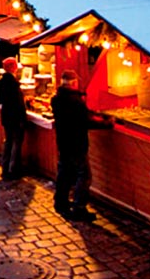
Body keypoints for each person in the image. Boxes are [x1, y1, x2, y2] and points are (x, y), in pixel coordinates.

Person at [51, 69, 113, 222]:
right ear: (73, 83)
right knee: (84, 175)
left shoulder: (57, 99)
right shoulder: (76, 102)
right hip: (77, 143)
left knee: (64, 172)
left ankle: (60, 201)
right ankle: (79, 207)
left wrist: (93, 113)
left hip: (63, 141)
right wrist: (107, 124)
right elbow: (84, 122)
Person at [0, 57, 27, 180]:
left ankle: (5, 167)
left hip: (6, 115)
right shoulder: (13, 84)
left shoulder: (1, 82)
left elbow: (0, 100)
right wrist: (22, 119)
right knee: (16, 142)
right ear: (13, 68)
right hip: (15, 117)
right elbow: (18, 104)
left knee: (8, 141)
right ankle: (13, 169)